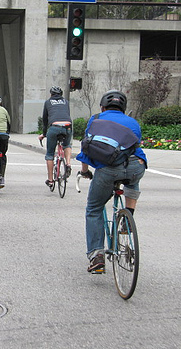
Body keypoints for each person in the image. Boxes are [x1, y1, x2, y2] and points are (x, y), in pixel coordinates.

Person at [76, 89, 147, 273]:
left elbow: (87, 148)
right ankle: (128, 217)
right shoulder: (133, 122)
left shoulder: (96, 119)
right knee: (132, 178)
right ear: (123, 108)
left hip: (108, 170)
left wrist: (85, 171)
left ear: (102, 106)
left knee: (94, 208)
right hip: (136, 165)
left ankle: (97, 255)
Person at [38, 85, 73, 187]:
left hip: (54, 127)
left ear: (51, 94)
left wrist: (44, 134)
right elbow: (67, 115)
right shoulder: (66, 102)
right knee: (67, 145)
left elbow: (45, 119)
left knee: (49, 154)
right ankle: (68, 163)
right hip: (67, 126)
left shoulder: (48, 102)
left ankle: (50, 180)